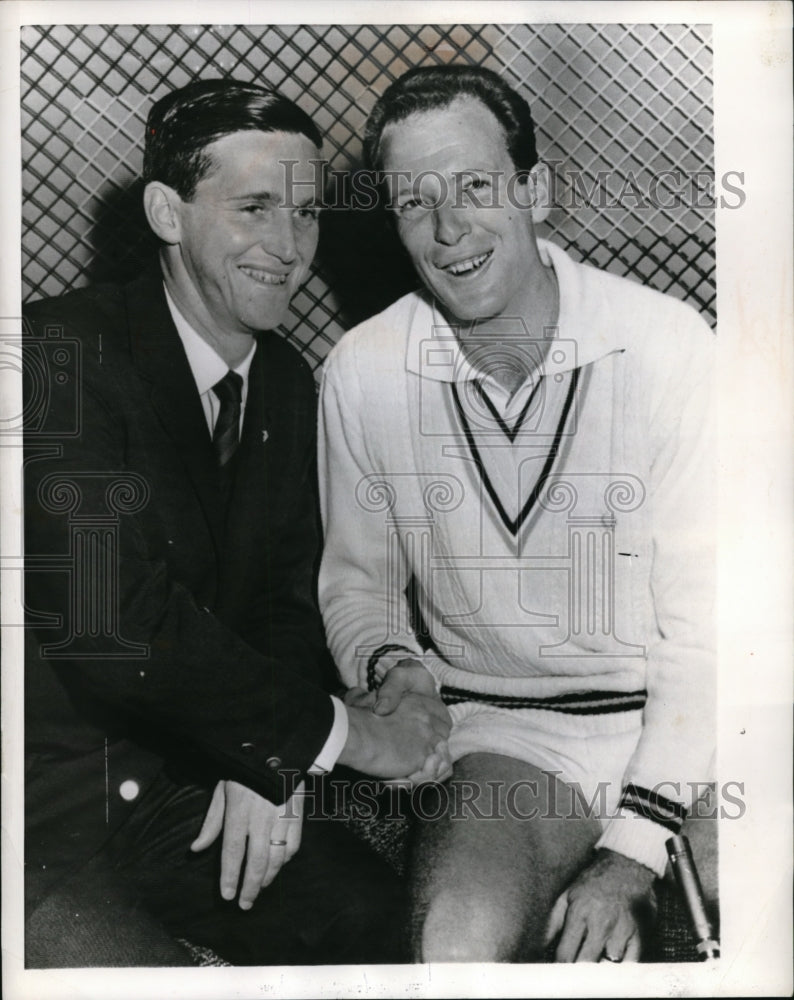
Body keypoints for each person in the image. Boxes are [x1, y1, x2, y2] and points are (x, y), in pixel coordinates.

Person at [23, 78, 451, 968]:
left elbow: (283, 608)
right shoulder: (55, 357)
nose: (288, 247)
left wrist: (262, 760)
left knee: (375, 934)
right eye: (254, 207)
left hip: (182, 780)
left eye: (305, 214)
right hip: (39, 810)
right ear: (166, 213)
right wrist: (331, 737)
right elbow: (114, 626)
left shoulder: (291, 385)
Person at [318, 65, 716, 963]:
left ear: (536, 191)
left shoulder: (667, 343)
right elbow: (357, 581)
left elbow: (710, 635)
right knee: (454, 942)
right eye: (415, 201)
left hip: (701, 708)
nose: (449, 228)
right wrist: (394, 669)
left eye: (474, 187)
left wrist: (634, 851)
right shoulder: (363, 368)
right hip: (516, 736)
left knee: (748, 910)